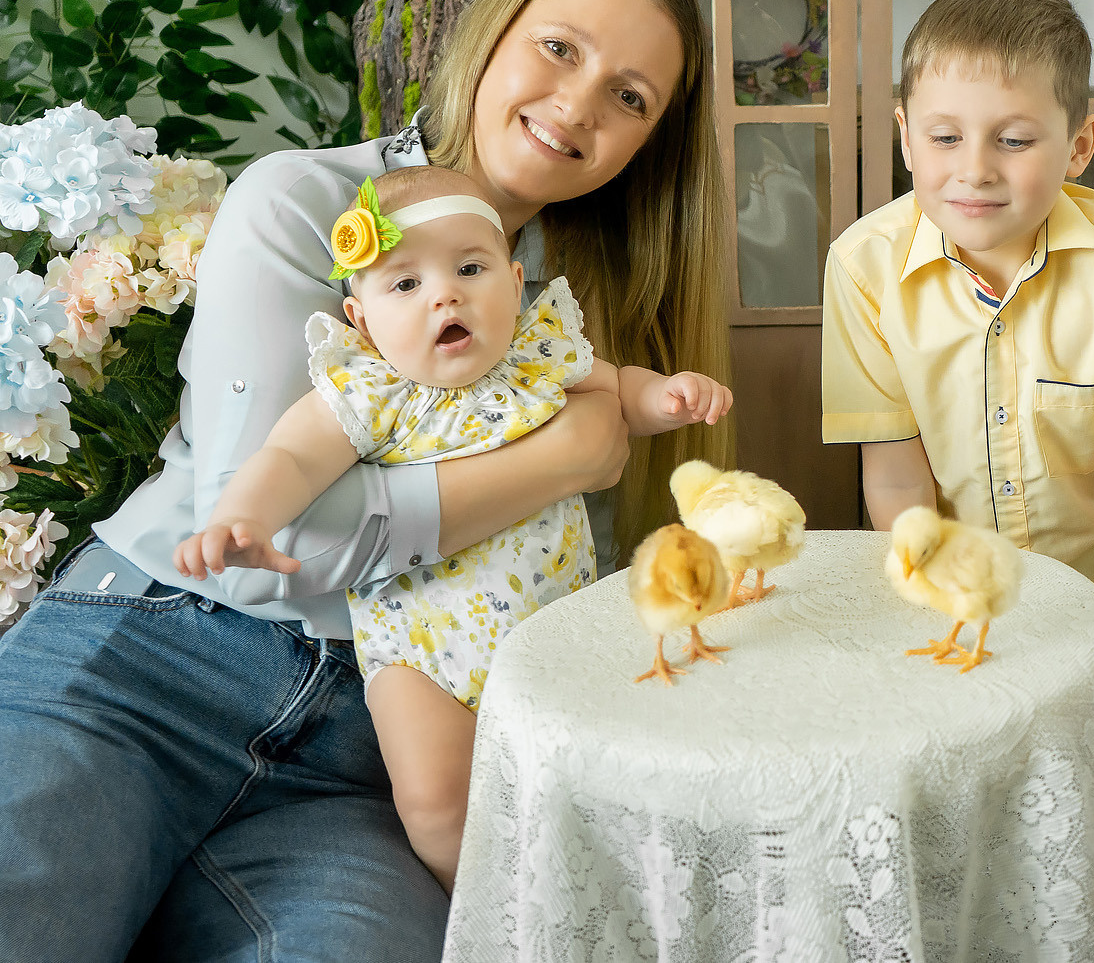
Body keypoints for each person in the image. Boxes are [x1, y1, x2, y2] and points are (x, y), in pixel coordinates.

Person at [0, 0, 730, 962]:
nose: (580, 104)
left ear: (648, 143)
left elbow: (544, 580)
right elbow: (274, 551)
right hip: (152, 660)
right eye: (559, 47)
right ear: (494, 33)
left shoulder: (579, 310)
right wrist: (559, 460)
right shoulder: (302, 200)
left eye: (630, 96)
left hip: (365, 755)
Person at [171, 165, 731, 891]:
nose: (445, 294)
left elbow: (618, 388)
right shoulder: (370, 391)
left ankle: (580, 896)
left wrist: (665, 397)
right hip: (421, 654)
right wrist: (243, 517)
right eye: (406, 283)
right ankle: (481, 907)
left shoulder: (539, 357)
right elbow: (291, 459)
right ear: (361, 320)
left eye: (470, 268)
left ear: (515, 282)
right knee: (438, 800)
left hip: (555, 629)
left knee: (591, 771)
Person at [820, 0, 1094, 675]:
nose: (974, 171)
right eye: (945, 137)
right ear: (906, 138)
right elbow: (897, 480)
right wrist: (940, 614)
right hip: (954, 614)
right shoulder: (862, 266)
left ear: (1079, 145)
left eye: (1013, 140)